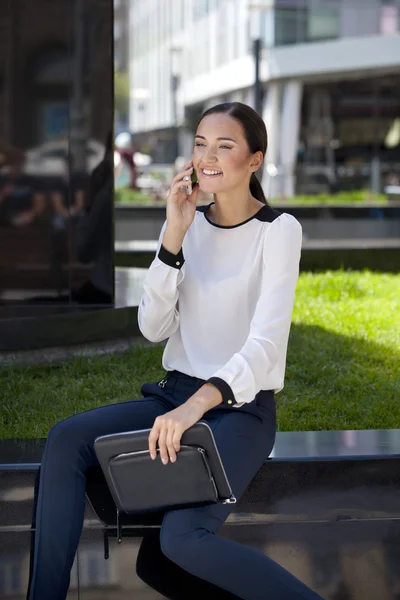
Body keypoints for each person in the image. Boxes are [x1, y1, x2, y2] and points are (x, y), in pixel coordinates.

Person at [26, 102, 324, 600]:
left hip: (238, 412)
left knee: (179, 543)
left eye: (225, 146)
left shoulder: (279, 231)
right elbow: (152, 326)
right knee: (65, 440)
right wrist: (174, 236)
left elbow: (266, 343)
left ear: (255, 160)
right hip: (174, 397)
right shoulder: (188, 224)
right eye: (201, 144)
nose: (208, 156)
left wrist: (195, 407)